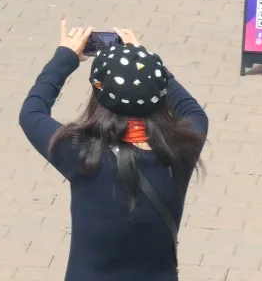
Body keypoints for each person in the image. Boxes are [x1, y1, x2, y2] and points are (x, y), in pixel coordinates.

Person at [19, 22, 208, 281]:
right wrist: (145, 61)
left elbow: (32, 112)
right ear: (159, 92)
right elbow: (192, 109)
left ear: (99, 95)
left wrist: (65, 57)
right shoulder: (183, 145)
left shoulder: (82, 153)